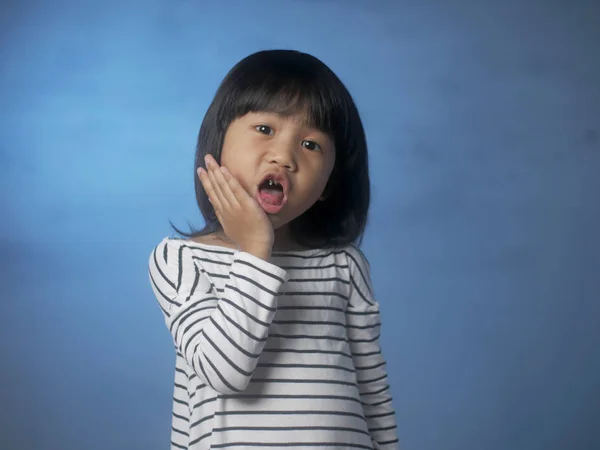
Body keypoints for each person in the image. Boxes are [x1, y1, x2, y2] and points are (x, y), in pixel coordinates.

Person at [148, 49, 399, 450]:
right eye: (264, 129)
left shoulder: (343, 266)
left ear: (330, 183)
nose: (284, 156)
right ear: (218, 147)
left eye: (311, 144)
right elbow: (225, 372)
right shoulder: (180, 260)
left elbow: (372, 388)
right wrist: (254, 251)